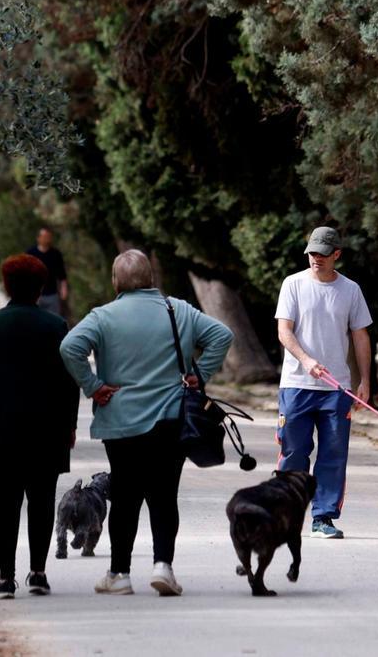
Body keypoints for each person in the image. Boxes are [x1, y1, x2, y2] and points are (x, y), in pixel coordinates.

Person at [59, 249, 233, 597]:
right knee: (165, 495)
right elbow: (222, 335)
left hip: (121, 422)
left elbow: (69, 347)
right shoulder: (178, 310)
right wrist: (199, 374)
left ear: (115, 281)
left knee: (124, 498)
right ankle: (163, 567)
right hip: (171, 419)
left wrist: (93, 386)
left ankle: (119, 574)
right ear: (151, 278)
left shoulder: (103, 316)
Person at [0, 254, 79, 600]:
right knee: (42, 502)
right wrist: (70, 424)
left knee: (4, 506)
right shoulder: (57, 326)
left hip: (0, 428)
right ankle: (38, 573)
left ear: (7, 285)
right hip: (47, 428)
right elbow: (71, 381)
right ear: (41, 287)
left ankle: (5, 578)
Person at [274, 226, 372, 540]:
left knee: (333, 455)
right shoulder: (293, 284)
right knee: (294, 452)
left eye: (323, 254)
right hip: (296, 384)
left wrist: (365, 380)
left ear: (337, 255)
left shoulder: (350, 290)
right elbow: (284, 331)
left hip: (336, 389)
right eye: (312, 253)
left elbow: (360, 336)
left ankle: (323, 517)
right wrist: (305, 359)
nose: (316, 258)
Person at [26, 226, 68, 316]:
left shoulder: (56, 254)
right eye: (44, 236)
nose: (46, 239)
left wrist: (64, 288)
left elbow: (62, 274)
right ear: (38, 238)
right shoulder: (30, 253)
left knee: (53, 319)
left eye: (48, 237)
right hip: (34, 294)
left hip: (52, 293)